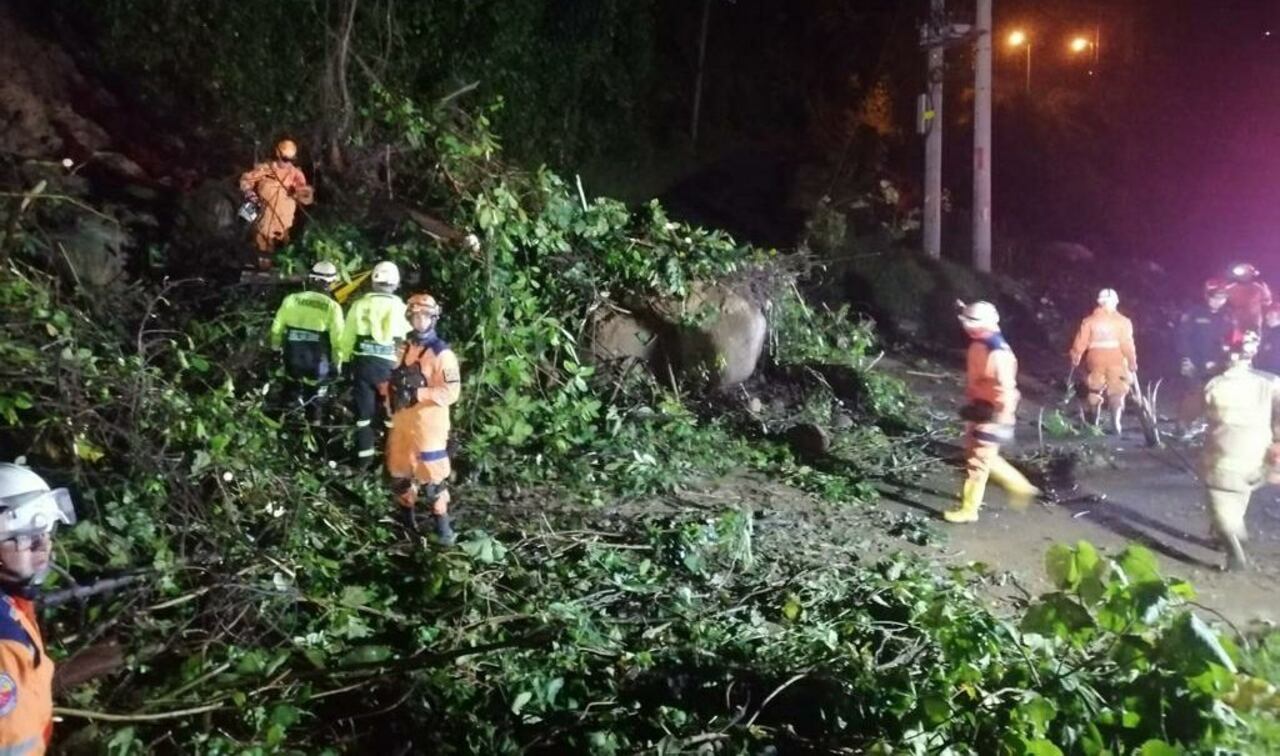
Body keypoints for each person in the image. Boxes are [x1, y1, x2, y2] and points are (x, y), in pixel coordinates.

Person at [0, 463, 76, 754]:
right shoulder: (3, 640)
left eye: (45, 534)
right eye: (27, 537)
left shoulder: (12, 602)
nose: (42, 546)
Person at [944, 301, 1040, 524]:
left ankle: (970, 509)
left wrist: (1001, 418)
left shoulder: (996, 351)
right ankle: (1020, 486)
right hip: (981, 407)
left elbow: (1006, 389)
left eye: (970, 321)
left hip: (991, 412)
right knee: (981, 455)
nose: (966, 326)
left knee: (979, 460)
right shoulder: (983, 342)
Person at [1197, 331, 1280, 571]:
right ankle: (1235, 535)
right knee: (1239, 499)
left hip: (1221, 462)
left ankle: (1235, 554)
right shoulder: (1270, 382)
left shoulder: (1215, 385)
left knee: (1220, 510)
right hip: (1256, 461)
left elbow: (1191, 411)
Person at [384, 294, 461, 543]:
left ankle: (443, 529)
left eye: (424, 316)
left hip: (429, 426)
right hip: (403, 421)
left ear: (433, 319)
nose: (420, 321)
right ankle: (406, 522)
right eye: (415, 316)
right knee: (400, 472)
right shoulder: (403, 348)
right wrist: (386, 403)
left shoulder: (442, 354)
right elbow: (392, 381)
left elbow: (451, 391)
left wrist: (419, 393)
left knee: (432, 479)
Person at [339, 261, 410, 467]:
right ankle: (390, 461)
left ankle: (364, 461)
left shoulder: (360, 305)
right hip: (389, 367)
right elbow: (406, 340)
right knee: (390, 415)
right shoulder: (401, 308)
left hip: (363, 363)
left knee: (364, 415)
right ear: (396, 283)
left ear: (373, 282)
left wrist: (343, 362)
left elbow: (347, 336)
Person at [269, 261, 345, 425]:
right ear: (331, 283)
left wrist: (275, 349)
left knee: (289, 394)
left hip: (292, 359)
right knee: (314, 402)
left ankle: (282, 429)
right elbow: (338, 340)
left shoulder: (291, 299)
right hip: (316, 365)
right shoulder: (332, 307)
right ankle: (313, 431)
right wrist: (338, 364)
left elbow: (276, 328)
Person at [1069, 288, 1138, 435]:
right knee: (1117, 392)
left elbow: (1081, 341)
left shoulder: (1089, 321)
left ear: (1099, 302)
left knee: (1094, 389)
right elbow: (1127, 344)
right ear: (1115, 302)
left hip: (1095, 360)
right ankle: (1116, 424)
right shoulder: (1123, 322)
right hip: (1117, 360)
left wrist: (1076, 356)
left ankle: (1093, 423)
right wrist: (1132, 361)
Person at [238, 139, 315, 260]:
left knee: (284, 256)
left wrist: (299, 193)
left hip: (284, 225)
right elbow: (245, 180)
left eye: (291, 160)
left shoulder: (296, 174)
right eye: (285, 159)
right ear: (278, 154)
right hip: (264, 222)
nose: (288, 163)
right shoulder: (265, 169)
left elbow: (306, 197)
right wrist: (250, 193)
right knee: (263, 254)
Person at [1224, 262, 1272, 333]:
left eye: (1246, 273)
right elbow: (1220, 303)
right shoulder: (1229, 289)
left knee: (1252, 343)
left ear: (1251, 274)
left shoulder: (1259, 287)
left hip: (1253, 325)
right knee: (1235, 343)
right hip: (1235, 326)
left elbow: (1268, 301)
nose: (1244, 276)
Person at [1256, 305, 1280, 374]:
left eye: (1271, 314)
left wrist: (1255, 362)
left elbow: (1269, 357)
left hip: (1271, 375)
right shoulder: (1270, 330)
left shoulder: (1277, 335)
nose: (1267, 316)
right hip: (1264, 372)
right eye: (1267, 313)